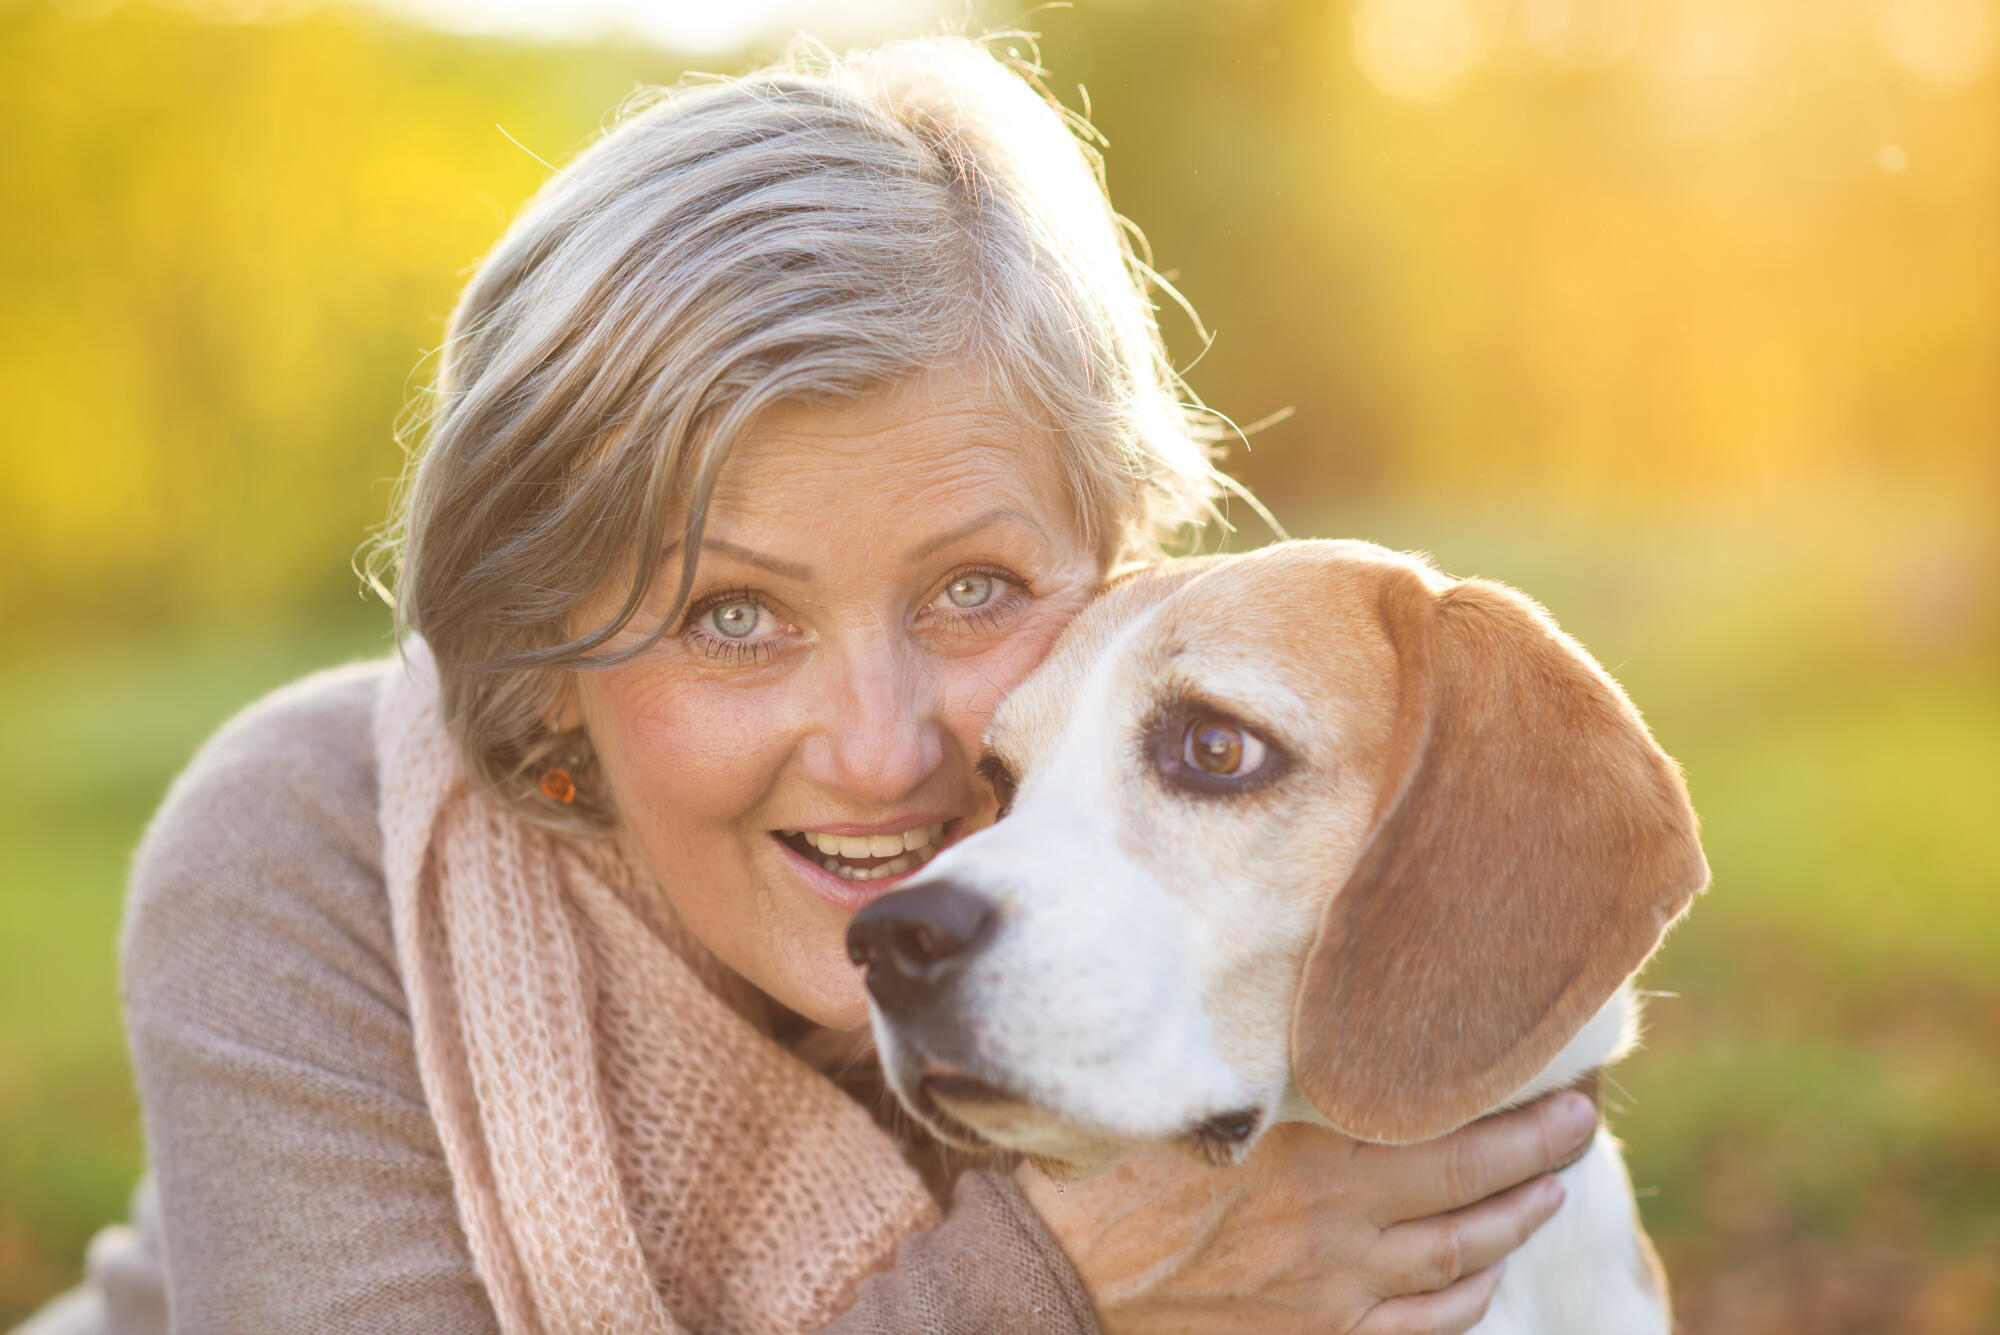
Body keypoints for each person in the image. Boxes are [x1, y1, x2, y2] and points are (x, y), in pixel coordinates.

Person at [20, 36, 1596, 1335]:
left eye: (973, 591)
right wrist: (1050, 1295)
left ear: (1122, 560)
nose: (881, 752)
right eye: (732, 616)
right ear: (544, 661)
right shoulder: (311, 851)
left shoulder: (1201, 930)